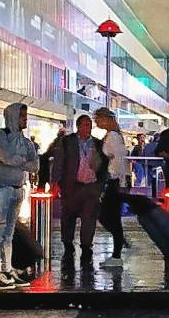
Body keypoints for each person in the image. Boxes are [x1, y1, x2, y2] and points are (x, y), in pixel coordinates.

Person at [0, 103, 38, 288]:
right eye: (21, 115)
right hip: (2, 186)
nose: (24, 119)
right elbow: (7, 157)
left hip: (17, 187)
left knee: (8, 232)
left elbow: (35, 165)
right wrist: (22, 161)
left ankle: (7, 269)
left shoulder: (24, 140)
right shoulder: (0, 135)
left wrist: (18, 161)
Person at [53, 113, 102, 267]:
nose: (89, 128)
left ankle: (86, 246)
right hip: (72, 185)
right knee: (68, 216)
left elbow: (103, 166)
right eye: (86, 125)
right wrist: (55, 181)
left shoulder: (98, 144)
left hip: (91, 187)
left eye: (90, 125)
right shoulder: (67, 142)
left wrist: (101, 185)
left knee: (89, 218)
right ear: (78, 126)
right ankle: (68, 244)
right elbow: (59, 161)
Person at [93, 108, 130, 266]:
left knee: (110, 217)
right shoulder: (115, 136)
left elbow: (118, 162)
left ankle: (117, 253)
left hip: (113, 182)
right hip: (115, 181)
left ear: (106, 119)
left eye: (98, 119)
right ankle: (118, 248)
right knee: (111, 217)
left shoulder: (112, 137)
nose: (96, 122)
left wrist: (118, 181)